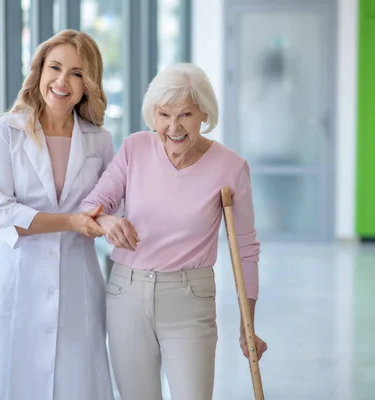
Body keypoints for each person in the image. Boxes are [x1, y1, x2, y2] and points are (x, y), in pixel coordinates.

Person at [80, 63, 267, 400]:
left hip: (189, 299)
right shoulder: (135, 149)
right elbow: (92, 206)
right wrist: (108, 222)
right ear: (154, 114)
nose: (173, 127)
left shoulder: (231, 167)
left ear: (204, 115)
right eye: (164, 115)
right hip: (127, 293)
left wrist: (247, 324)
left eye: (186, 115)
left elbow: (246, 250)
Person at [0, 30, 114, 400]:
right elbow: (0, 211)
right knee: (11, 379)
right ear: (39, 71)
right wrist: (72, 221)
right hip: (17, 277)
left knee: (75, 379)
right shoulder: (5, 131)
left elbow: (111, 202)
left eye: (76, 73)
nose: (62, 81)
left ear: (88, 83)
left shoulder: (100, 140)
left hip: (78, 278)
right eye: (54, 67)